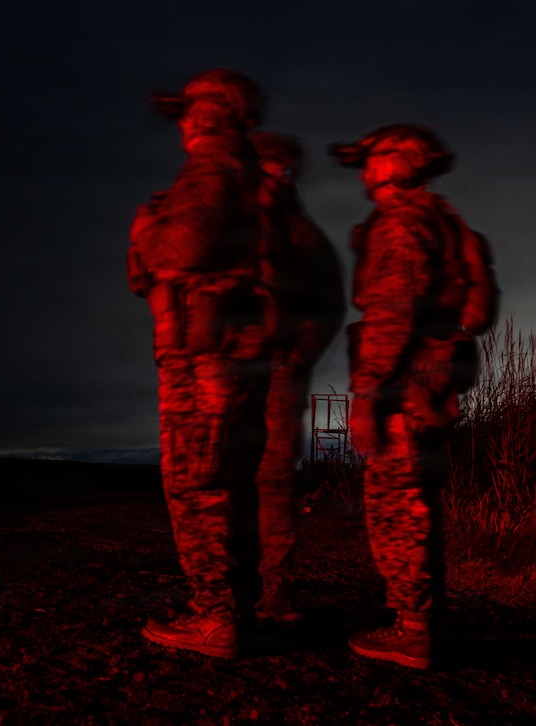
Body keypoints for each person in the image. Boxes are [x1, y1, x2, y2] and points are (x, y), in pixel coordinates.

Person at [329, 124, 495, 669]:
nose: (365, 169)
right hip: (430, 385)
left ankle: (413, 629)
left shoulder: (401, 220)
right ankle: (419, 623)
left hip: (403, 387)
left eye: (373, 158)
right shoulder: (442, 217)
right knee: (416, 503)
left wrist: (367, 394)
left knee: (399, 507)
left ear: (400, 162)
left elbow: (394, 310)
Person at [128, 68, 266, 658]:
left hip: (202, 358)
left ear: (212, 113)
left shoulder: (212, 169)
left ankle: (215, 618)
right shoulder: (247, 174)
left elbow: (178, 253)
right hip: (225, 354)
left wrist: (150, 226)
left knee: (196, 483)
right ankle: (229, 608)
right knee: (223, 481)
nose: (182, 121)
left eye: (189, 110)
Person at [236, 131, 346, 624]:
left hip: (278, 375)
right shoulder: (224, 224)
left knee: (275, 482)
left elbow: (328, 305)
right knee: (221, 480)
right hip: (226, 372)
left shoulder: (301, 235)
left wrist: (297, 357)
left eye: (285, 168)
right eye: (268, 166)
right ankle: (224, 595)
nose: (277, 176)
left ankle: (275, 593)